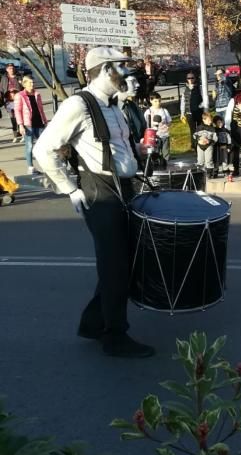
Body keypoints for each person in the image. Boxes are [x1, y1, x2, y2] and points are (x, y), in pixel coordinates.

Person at [32, 47, 153, 358]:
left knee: (121, 262)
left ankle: (93, 323)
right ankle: (115, 337)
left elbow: (115, 148)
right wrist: (70, 189)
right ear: (104, 70)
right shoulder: (78, 104)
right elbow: (43, 149)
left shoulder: (113, 105)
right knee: (115, 267)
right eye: (121, 68)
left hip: (122, 188)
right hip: (99, 192)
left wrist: (138, 151)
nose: (127, 73)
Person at [13, 75, 48, 175]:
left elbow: (41, 109)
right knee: (29, 146)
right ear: (24, 84)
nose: (32, 84)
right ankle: (31, 167)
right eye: (30, 83)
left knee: (43, 146)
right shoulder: (19, 95)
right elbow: (17, 111)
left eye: (33, 82)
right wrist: (20, 125)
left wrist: (45, 121)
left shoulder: (37, 94)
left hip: (39, 123)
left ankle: (46, 166)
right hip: (28, 124)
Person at [180, 72, 206, 149]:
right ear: (186, 79)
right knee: (192, 130)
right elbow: (183, 102)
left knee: (200, 129)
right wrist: (182, 113)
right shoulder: (184, 90)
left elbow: (204, 99)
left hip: (199, 112)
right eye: (189, 78)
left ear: (195, 79)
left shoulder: (199, 88)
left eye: (192, 78)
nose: (190, 79)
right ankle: (194, 146)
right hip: (189, 113)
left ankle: (201, 144)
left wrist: (200, 107)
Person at [143, 93, 172, 162]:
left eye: (159, 101)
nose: (158, 103)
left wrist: (165, 126)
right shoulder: (148, 112)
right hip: (153, 137)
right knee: (155, 153)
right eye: (156, 101)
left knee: (166, 152)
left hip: (164, 135)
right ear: (151, 101)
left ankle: (166, 165)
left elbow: (169, 121)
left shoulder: (164, 111)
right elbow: (146, 124)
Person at [2, 63, 22, 143]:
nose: (11, 69)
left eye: (12, 68)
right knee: (12, 118)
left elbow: (23, 87)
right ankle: (15, 135)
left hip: (18, 100)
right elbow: (1, 89)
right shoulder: (4, 78)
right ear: (7, 69)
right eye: (10, 68)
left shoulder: (18, 77)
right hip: (8, 102)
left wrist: (21, 84)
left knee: (19, 117)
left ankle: (22, 133)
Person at [212, 115, 233, 181]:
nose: (220, 124)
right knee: (216, 160)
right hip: (217, 148)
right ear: (215, 123)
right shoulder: (214, 131)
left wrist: (229, 146)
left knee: (225, 160)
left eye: (221, 122)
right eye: (218, 122)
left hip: (224, 147)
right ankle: (215, 172)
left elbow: (229, 139)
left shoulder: (225, 131)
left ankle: (225, 171)